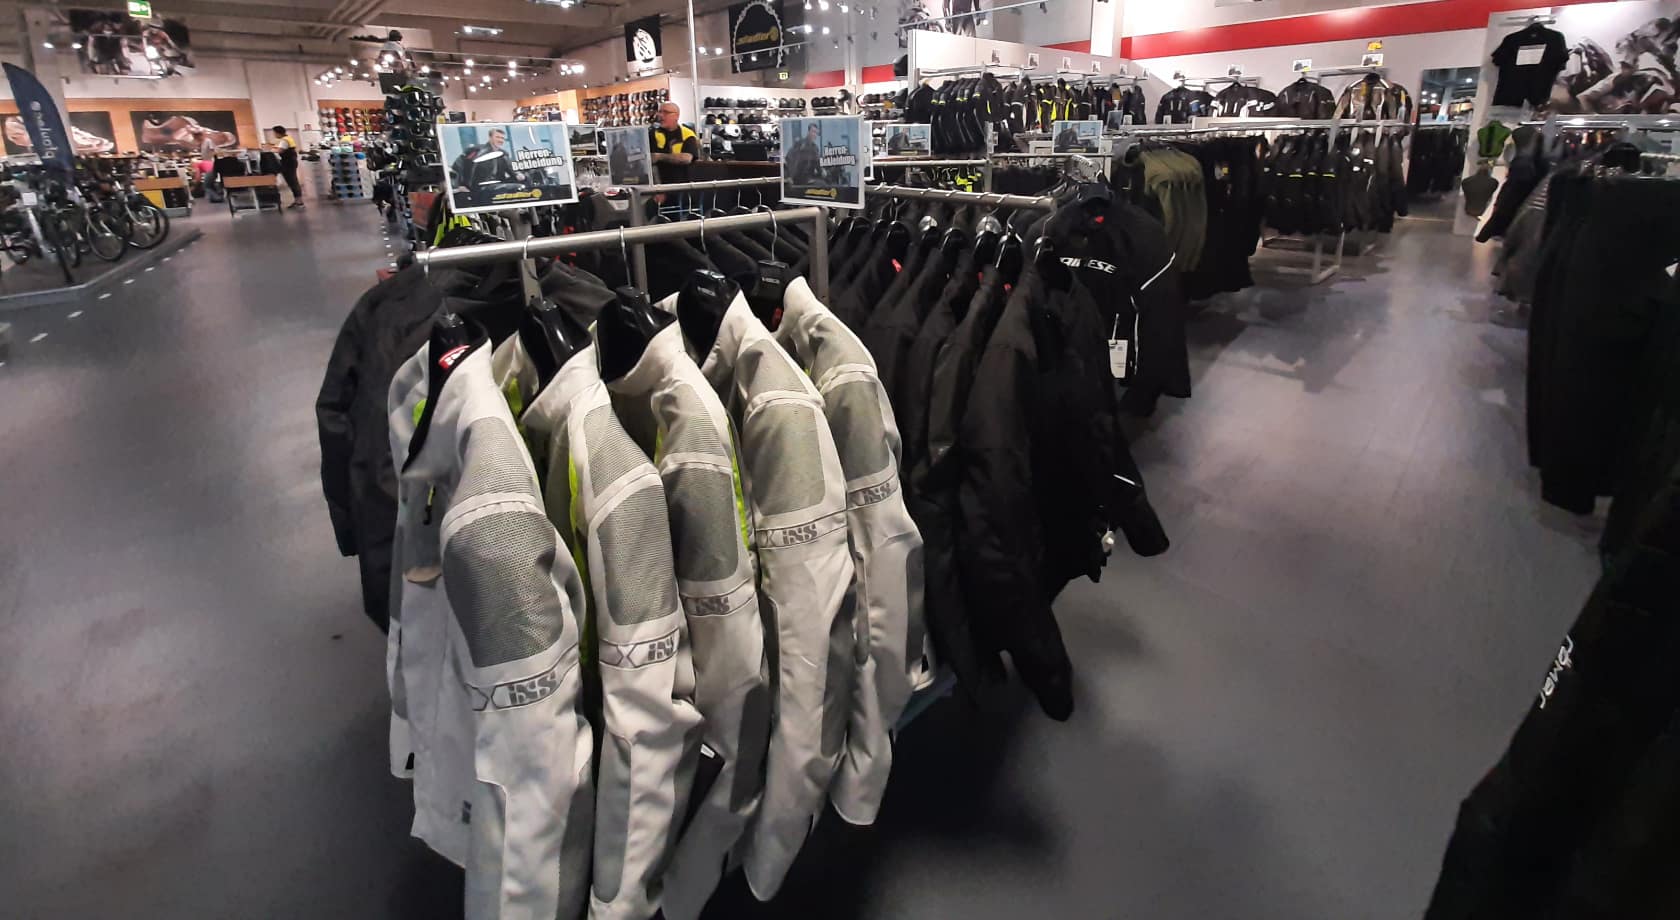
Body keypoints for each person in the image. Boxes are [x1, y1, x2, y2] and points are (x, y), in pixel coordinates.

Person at [649, 102, 699, 176]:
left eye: (666, 112)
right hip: (657, 181)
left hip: (680, 180)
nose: (660, 115)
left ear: (677, 116)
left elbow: (686, 158)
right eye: (659, 112)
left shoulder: (687, 134)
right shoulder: (652, 133)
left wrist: (659, 156)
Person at [273, 125, 303, 209]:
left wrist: (272, 150)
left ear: (278, 133)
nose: (274, 135)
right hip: (292, 162)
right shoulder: (288, 138)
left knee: (292, 181)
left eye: (274, 133)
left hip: (288, 163)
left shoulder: (284, 140)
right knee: (293, 181)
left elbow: (280, 150)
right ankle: (298, 200)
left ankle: (299, 201)